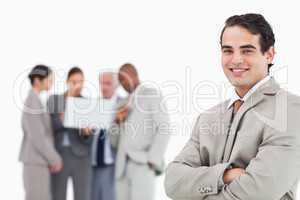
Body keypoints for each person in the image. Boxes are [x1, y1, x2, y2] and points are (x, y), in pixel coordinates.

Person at [164, 13, 300, 200]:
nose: (236, 60)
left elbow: (259, 192)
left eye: (247, 50)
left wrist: (197, 188)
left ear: (269, 54)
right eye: (228, 50)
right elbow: (173, 182)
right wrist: (224, 175)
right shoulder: (208, 118)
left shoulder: (291, 110)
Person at [110, 63, 170, 200]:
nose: (123, 83)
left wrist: (153, 159)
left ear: (135, 75)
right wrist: (117, 122)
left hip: (143, 163)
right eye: (120, 81)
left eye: (125, 78)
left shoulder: (151, 94)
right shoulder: (120, 105)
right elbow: (113, 142)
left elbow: (164, 127)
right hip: (121, 169)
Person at [47, 67, 93, 200]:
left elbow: (89, 139)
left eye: (81, 82)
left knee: (82, 196)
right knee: (57, 195)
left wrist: (86, 133)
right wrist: (65, 116)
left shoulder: (87, 104)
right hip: (59, 155)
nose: (78, 85)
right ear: (67, 82)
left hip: (81, 157)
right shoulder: (54, 100)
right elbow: (50, 127)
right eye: (74, 82)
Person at [19, 64, 63, 200]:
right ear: (37, 80)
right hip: (35, 163)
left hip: (39, 162)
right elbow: (38, 137)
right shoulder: (32, 101)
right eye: (49, 80)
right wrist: (55, 159)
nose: (52, 83)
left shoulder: (37, 100)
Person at [91, 72, 119, 200]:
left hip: (114, 164)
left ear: (116, 85)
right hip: (94, 164)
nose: (104, 87)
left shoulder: (123, 104)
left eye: (108, 83)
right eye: (102, 83)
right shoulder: (93, 105)